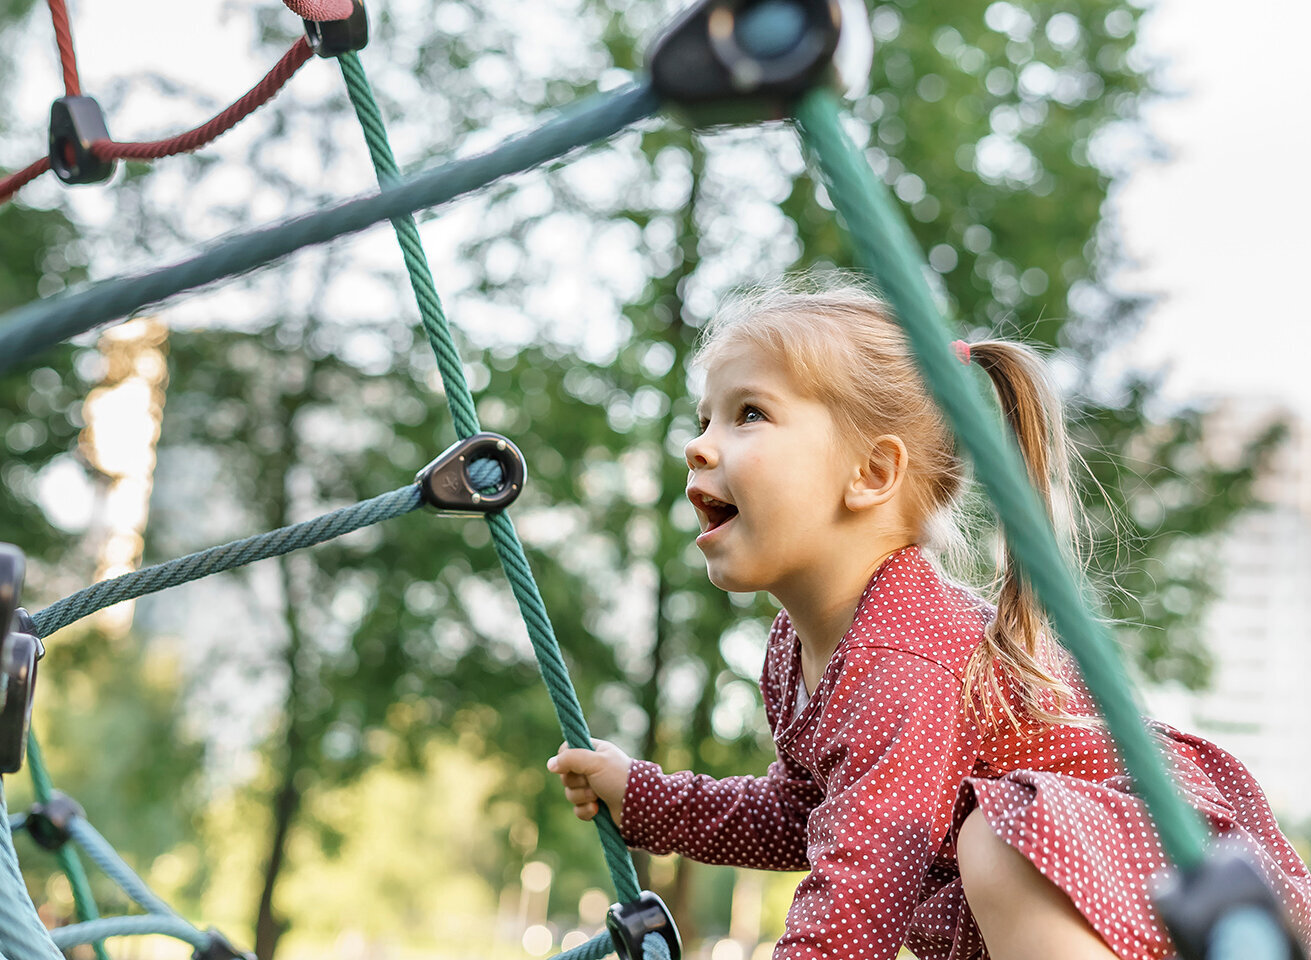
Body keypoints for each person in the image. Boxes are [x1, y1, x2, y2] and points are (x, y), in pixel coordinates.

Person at [546, 281, 1311, 960]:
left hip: (1167, 878)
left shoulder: (904, 656)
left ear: (871, 473)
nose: (697, 445)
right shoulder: (797, 651)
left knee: (998, 838)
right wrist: (645, 797)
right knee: (990, 843)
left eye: (748, 414)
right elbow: (802, 817)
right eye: (704, 417)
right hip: (1080, 899)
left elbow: (856, 903)